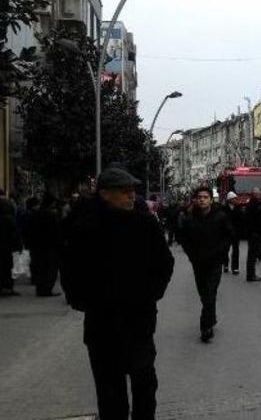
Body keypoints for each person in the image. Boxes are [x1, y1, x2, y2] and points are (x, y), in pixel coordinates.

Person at [61, 165, 174, 419]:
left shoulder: (145, 224)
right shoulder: (85, 228)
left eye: (132, 190)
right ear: (104, 194)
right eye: (123, 191)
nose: (131, 195)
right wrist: (84, 301)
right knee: (110, 392)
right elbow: (70, 268)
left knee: (145, 385)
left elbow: (165, 264)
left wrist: (150, 295)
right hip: (101, 326)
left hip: (139, 322)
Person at [178, 186, 234, 341]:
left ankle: (206, 327)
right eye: (199, 197)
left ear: (211, 199)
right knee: (204, 294)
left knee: (210, 293)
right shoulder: (190, 218)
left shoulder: (220, 217)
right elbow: (182, 238)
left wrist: (221, 253)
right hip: (198, 263)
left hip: (215, 262)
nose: (202, 199)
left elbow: (229, 236)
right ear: (196, 200)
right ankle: (212, 317)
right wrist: (191, 254)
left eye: (205, 197)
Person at [27, 194, 62, 296]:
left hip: (37, 244)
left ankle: (40, 288)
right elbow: (56, 231)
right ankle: (46, 289)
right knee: (49, 268)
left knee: (40, 267)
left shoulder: (35, 214)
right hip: (49, 245)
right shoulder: (51, 215)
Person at [0, 196, 23, 296]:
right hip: (6, 248)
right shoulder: (9, 219)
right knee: (7, 267)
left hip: (3, 246)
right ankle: (7, 287)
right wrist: (18, 246)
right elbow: (15, 234)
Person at [244, 188, 261, 281]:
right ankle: (251, 275)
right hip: (254, 233)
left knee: (252, 254)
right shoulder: (254, 205)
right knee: (252, 255)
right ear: (255, 194)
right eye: (259, 193)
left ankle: (251, 274)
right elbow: (253, 220)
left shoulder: (254, 204)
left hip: (255, 233)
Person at [224, 191, 243, 275]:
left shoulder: (238, 208)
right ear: (230, 200)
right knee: (225, 250)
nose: (236, 200)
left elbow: (241, 220)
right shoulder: (224, 209)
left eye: (236, 199)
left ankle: (235, 267)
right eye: (234, 199)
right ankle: (225, 265)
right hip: (226, 233)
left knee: (236, 250)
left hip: (236, 232)